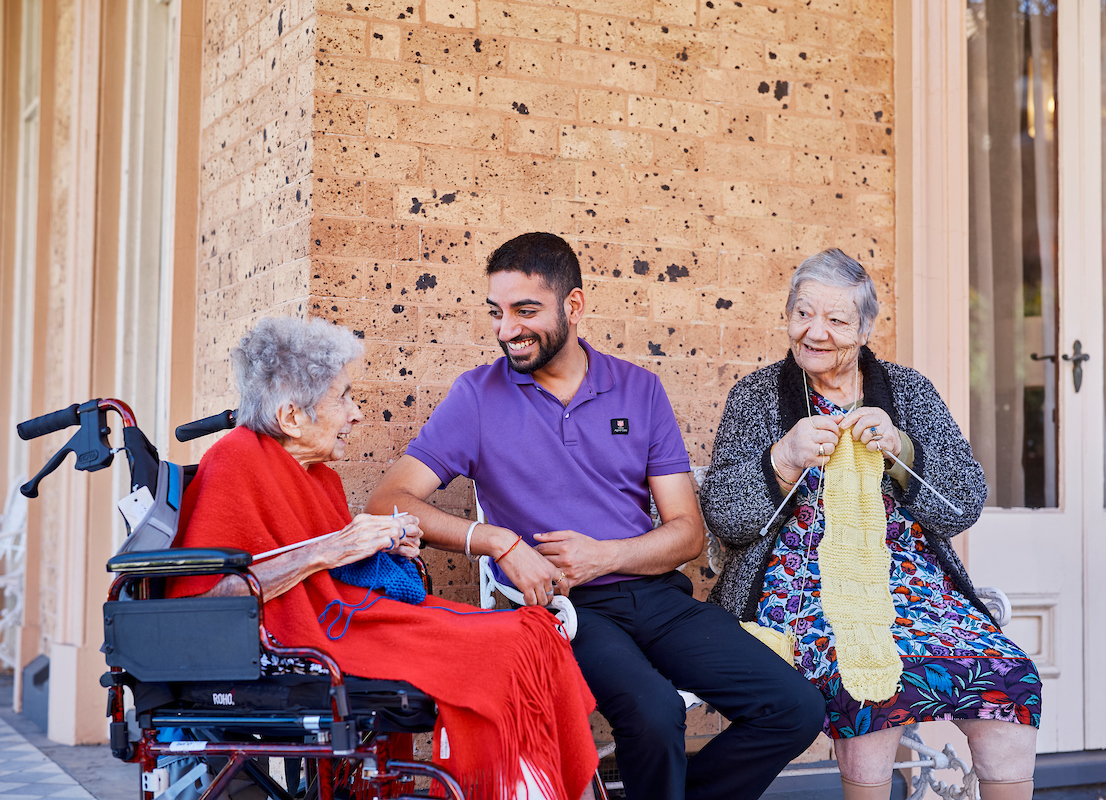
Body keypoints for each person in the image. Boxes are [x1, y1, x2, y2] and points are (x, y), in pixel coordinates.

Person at [367, 232, 824, 800]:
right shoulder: (478, 396)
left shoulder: (640, 390)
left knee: (795, 707)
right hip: (562, 609)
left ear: (574, 306)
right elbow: (387, 500)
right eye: (497, 313)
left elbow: (687, 532)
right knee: (656, 716)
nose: (506, 329)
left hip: (658, 598)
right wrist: (500, 542)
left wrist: (607, 555)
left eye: (525, 310)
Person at [169, 316, 598, 800]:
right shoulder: (234, 461)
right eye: (344, 398)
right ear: (291, 416)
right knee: (509, 649)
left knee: (534, 633)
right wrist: (333, 548)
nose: (356, 415)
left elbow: (333, 571)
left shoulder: (319, 476)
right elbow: (212, 597)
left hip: (346, 619)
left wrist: (380, 550)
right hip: (298, 643)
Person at [699, 248, 1041, 800]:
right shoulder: (758, 396)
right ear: (787, 316)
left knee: (1008, 675)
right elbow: (727, 519)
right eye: (803, 314)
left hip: (917, 589)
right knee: (870, 684)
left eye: (836, 320)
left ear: (865, 328)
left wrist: (905, 450)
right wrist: (781, 461)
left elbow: (965, 503)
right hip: (799, 588)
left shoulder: (908, 392)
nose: (816, 332)